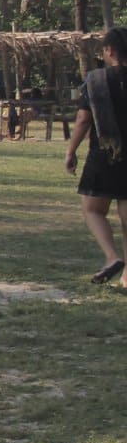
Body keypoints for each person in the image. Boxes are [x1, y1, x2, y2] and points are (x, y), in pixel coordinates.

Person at [67, 27, 127, 287]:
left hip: (104, 153)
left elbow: (82, 120)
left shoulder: (96, 80)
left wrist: (70, 152)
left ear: (110, 51)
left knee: (93, 209)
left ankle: (112, 257)